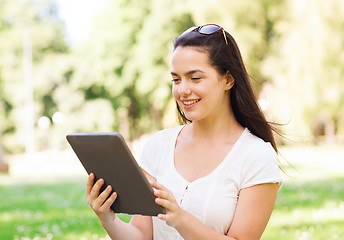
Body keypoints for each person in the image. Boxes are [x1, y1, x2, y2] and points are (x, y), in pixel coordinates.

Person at [86, 24, 283, 240]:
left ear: (228, 79)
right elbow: (142, 235)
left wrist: (180, 219)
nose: (182, 90)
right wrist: (108, 219)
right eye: (176, 79)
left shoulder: (256, 156)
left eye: (195, 78)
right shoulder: (158, 146)